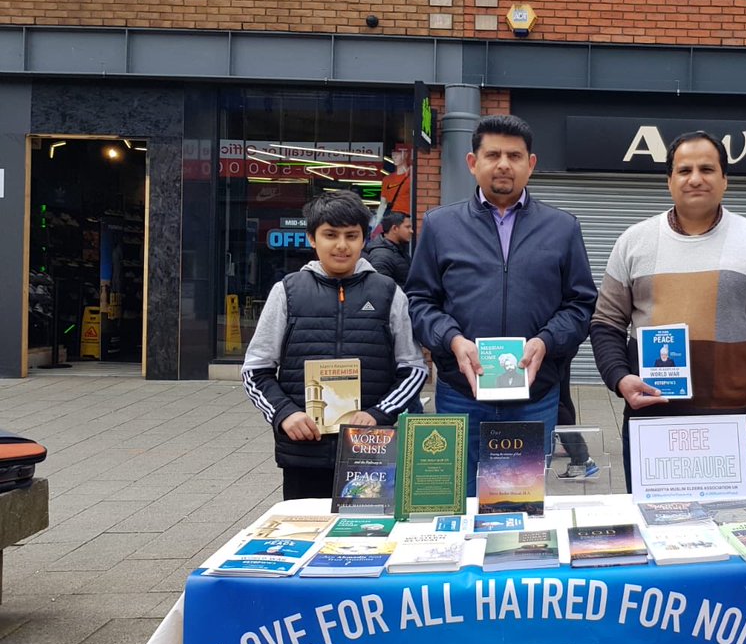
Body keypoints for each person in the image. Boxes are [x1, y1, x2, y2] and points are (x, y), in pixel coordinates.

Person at [590, 131, 746, 492]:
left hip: (726, 421)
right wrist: (619, 378)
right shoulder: (633, 241)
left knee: (720, 534)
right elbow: (606, 323)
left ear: (724, 180)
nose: (695, 178)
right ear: (669, 181)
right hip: (650, 417)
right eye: (684, 169)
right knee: (651, 530)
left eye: (707, 168)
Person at [406, 114, 597, 496]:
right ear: (473, 163)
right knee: (455, 498)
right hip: (462, 392)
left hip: (535, 394)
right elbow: (419, 301)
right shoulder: (441, 226)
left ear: (531, 164)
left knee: (519, 502)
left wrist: (545, 341)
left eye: (515, 155)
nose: (504, 164)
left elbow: (580, 304)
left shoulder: (562, 227)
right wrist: (453, 340)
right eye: (493, 155)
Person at [242, 191, 428, 500]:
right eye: (330, 235)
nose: (341, 245)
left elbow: (412, 369)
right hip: (305, 452)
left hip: (371, 450)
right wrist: (285, 414)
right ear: (312, 239)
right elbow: (256, 370)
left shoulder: (388, 293)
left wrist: (379, 413)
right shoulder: (287, 292)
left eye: (351, 236)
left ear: (364, 239)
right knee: (308, 534)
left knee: (368, 538)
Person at [363, 212, 413, 287]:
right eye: (407, 227)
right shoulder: (381, 255)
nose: (411, 231)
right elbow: (380, 288)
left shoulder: (399, 249)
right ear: (395, 229)